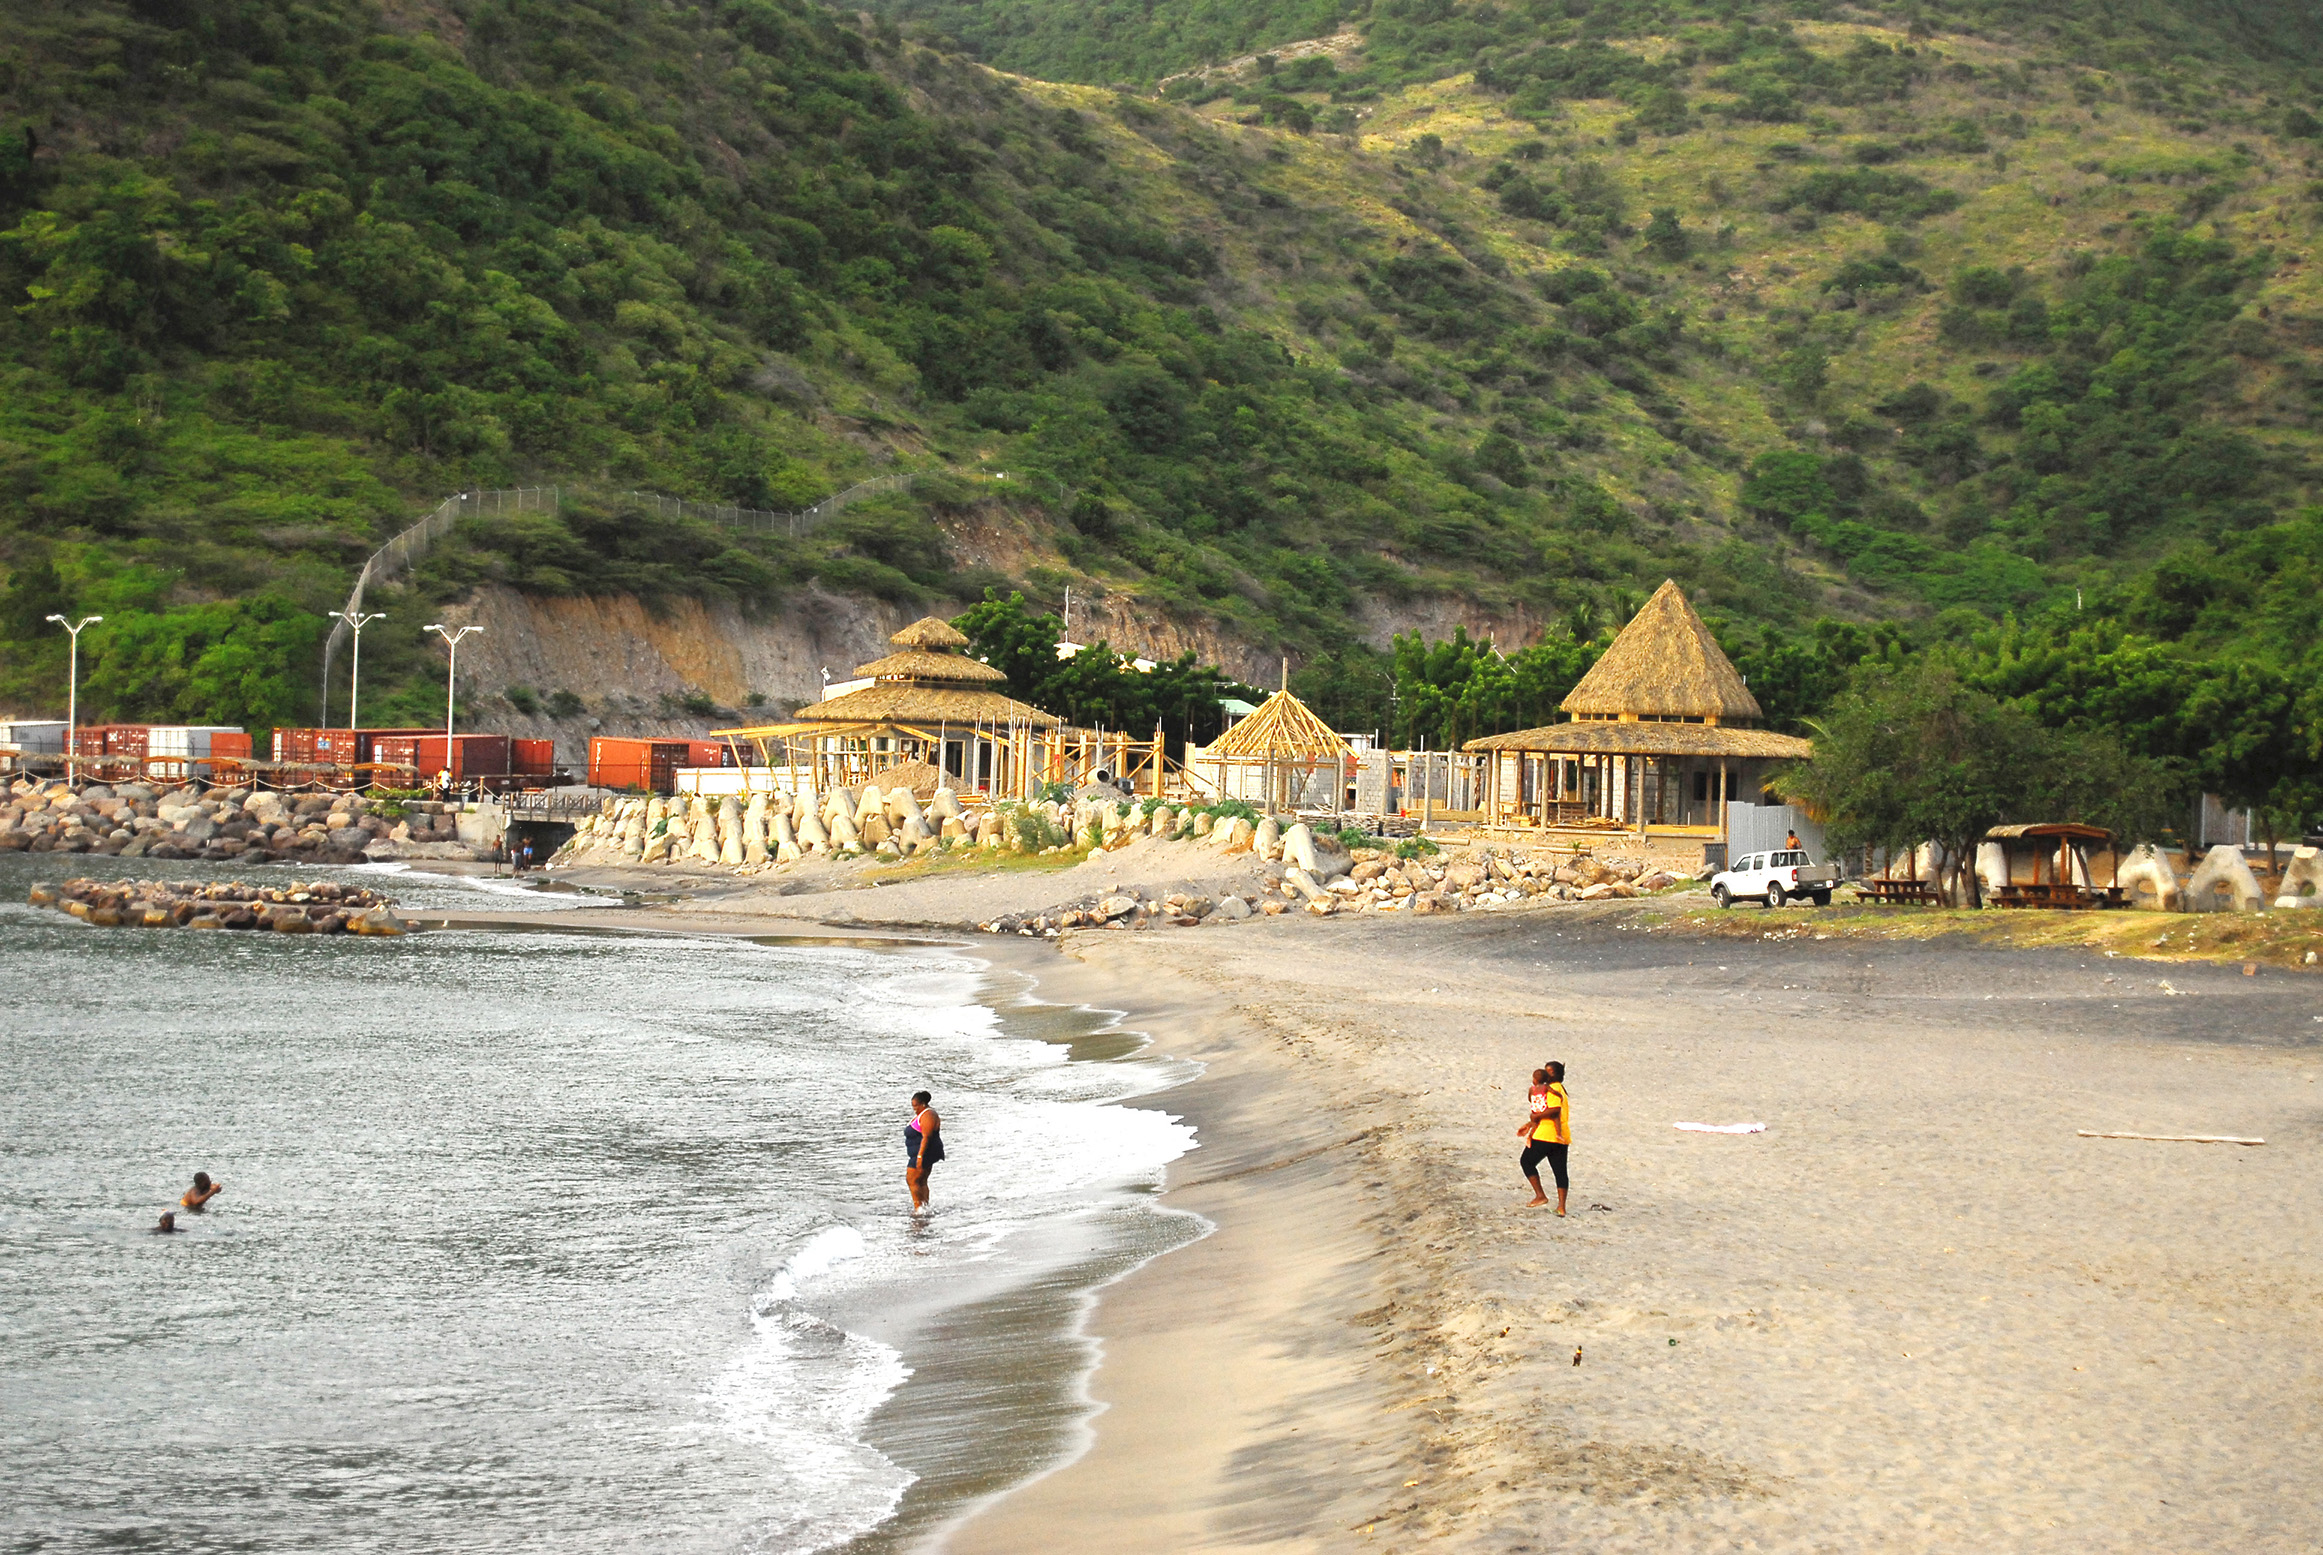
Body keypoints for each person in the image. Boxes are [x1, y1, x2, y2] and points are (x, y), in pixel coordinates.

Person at [1517, 1062, 1570, 1215]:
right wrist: (1529, 1124)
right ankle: (1561, 1207)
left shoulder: (1554, 1090)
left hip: (1546, 1134)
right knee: (1560, 1170)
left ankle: (1540, 1195)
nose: (1546, 1075)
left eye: (1549, 1072)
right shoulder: (1560, 1090)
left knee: (1526, 1161)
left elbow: (1553, 1111)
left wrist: (1534, 1117)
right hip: (1561, 1136)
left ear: (1556, 1074)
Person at [905, 1091, 944, 1211]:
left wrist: (920, 1156)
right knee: (921, 1180)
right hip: (920, 1153)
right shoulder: (923, 1114)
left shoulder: (928, 1115)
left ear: (923, 1104)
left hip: (923, 1153)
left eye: (916, 1105)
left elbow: (926, 1137)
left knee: (912, 1179)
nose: (914, 1109)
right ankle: (923, 1208)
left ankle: (919, 1208)